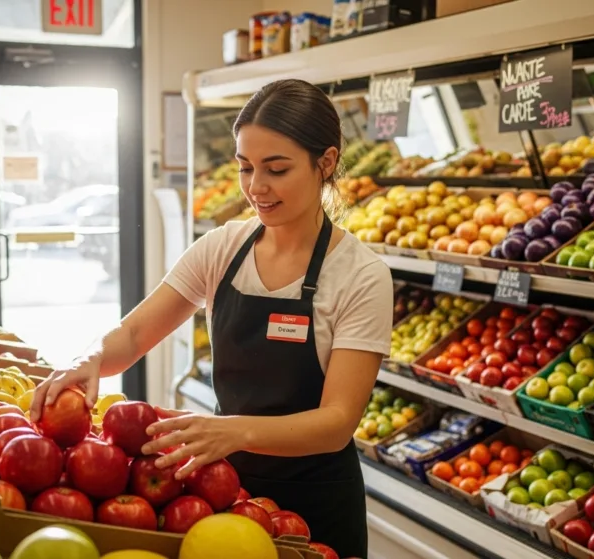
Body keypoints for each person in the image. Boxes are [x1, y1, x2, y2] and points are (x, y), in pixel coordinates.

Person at [30, 78, 393, 558]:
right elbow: (137, 332)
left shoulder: (361, 275)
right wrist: (91, 357)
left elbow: (336, 422)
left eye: (276, 169)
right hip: (227, 492)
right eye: (245, 168)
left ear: (325, 162)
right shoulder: (223, 249)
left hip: (318, 502)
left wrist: (232, 430)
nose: (256, 188)